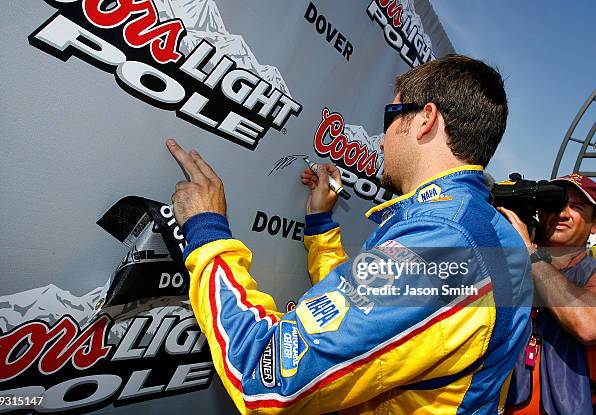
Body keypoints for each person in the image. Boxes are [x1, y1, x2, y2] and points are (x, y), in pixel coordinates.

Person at [166, 54, 532, 414]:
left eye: (390, 116)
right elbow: (364, 319)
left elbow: (267, 376)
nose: (383, 139)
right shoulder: (484, 230)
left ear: (425, 119)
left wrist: (207, 231)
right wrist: (320, 224)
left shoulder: (445, 246)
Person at [500, 174, 596, 415]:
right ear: (540, 213)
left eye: (576, 207)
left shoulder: (591, 272)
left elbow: (588, 324)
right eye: (554, 204)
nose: (562, 213)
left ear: (594, 224)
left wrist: (530, 254)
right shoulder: (509, 261)